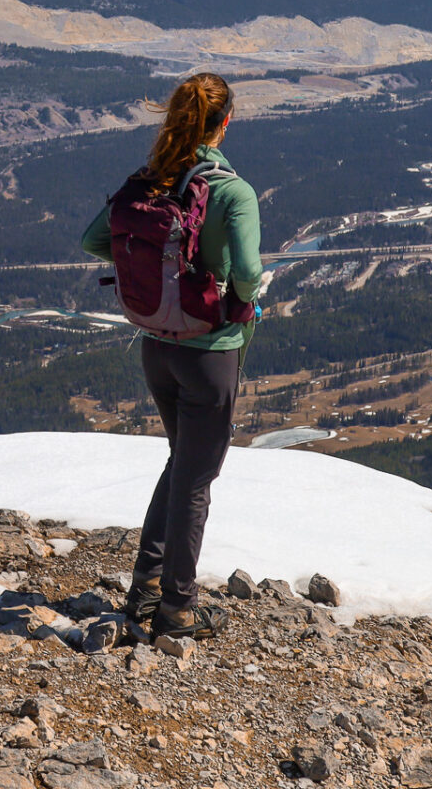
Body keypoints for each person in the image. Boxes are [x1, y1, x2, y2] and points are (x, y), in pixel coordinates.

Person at [80, 72, 263, 639]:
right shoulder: (233, 192)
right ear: (225, 123)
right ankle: (177, 611)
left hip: (157, 348)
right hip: (211, 354)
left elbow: (94, 239)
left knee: (180, 463)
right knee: (196, 480)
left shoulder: (151, 180)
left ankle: (145, 590)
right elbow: (251, 273)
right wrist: (238, 296)